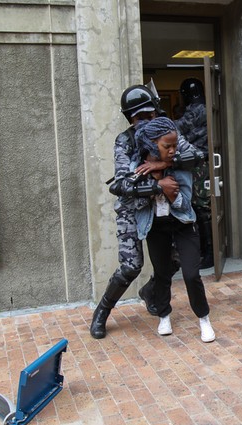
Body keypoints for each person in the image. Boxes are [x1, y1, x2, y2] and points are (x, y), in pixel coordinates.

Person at [89, 84, 204, 339]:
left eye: (149, 115)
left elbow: (196, 156)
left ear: (157, 111)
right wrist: (156, 185)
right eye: (138, 117)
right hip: (134, 208)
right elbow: (119, 184)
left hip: (167, 208)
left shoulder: (168, 132)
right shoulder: (125, 140)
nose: (145, 121)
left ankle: (151, 291)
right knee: (131, 266)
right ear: (130, 118)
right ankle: (102, 312)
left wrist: (165, 162)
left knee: (175, 262)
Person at [133, 117, 215, 343]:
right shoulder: (138, 167)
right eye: (166, 147)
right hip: (155, 226)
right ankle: (164, 315)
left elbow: (185, 205)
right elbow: (135, 203)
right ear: (152, 145)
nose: (172, 150)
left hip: (183, 223)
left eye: (174, 146)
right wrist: (155, 187)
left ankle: (204, 318)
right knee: (161, 273)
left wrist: (171, 193)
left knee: (191, 273)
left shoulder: (181, 167)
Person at [174, 78, 213, 269]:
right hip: (200, 162)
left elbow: (176, 128)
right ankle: (207, 251)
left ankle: (210, 253)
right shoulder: (204, 108)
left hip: (199, 164)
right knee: (200, 207)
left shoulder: (196, 110)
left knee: (201, 208)